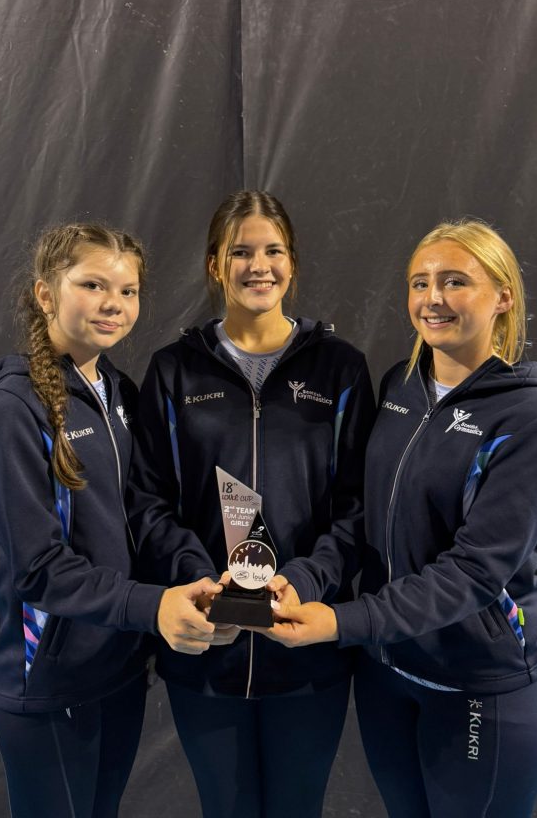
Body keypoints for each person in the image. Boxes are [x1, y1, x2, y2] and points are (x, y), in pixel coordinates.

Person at [258, 219, 537, 818]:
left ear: (503, 297)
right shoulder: (400, 386)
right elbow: (363, 519)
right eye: (419, 282)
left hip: (476, 685)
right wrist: (302, 579)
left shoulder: (533, 416)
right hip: (386, 674)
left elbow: (475, 571)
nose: (433, 298)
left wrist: (341, 620)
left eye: (455, 281)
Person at [128, 190, 375, 818]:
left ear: (292, 263)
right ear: (215, 265)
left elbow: (358, 508)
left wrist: (305, 580)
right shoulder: (173, 371)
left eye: (273, 251)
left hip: (307, 647)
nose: (258, 266)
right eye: (240, 252)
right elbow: (148, 502)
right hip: (206, 648)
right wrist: (199, 581)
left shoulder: (341, 370)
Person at [0, 222, 226, 818]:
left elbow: (144, 514)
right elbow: (39, 569)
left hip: (120, 672)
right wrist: (153, 607)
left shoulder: (119, 393)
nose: (114, 303)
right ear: (45, 294)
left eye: (128, 290)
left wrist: (199, 577)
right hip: (51, 685)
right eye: (92, 285)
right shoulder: (12, 411)